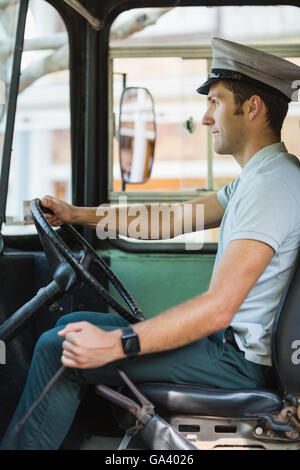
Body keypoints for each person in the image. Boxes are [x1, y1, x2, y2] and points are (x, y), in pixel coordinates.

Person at [1, 38, 300, 450]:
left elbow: (218, 308)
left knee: (59, 348)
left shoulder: (271, 187)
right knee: (70, 327)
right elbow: (169, 219)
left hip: (236, 363)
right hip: (225, 349)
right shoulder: (259, 180)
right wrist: (77, 215)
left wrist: (116, 344)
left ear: (251, 108)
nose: (206, 117)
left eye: (214, 102)